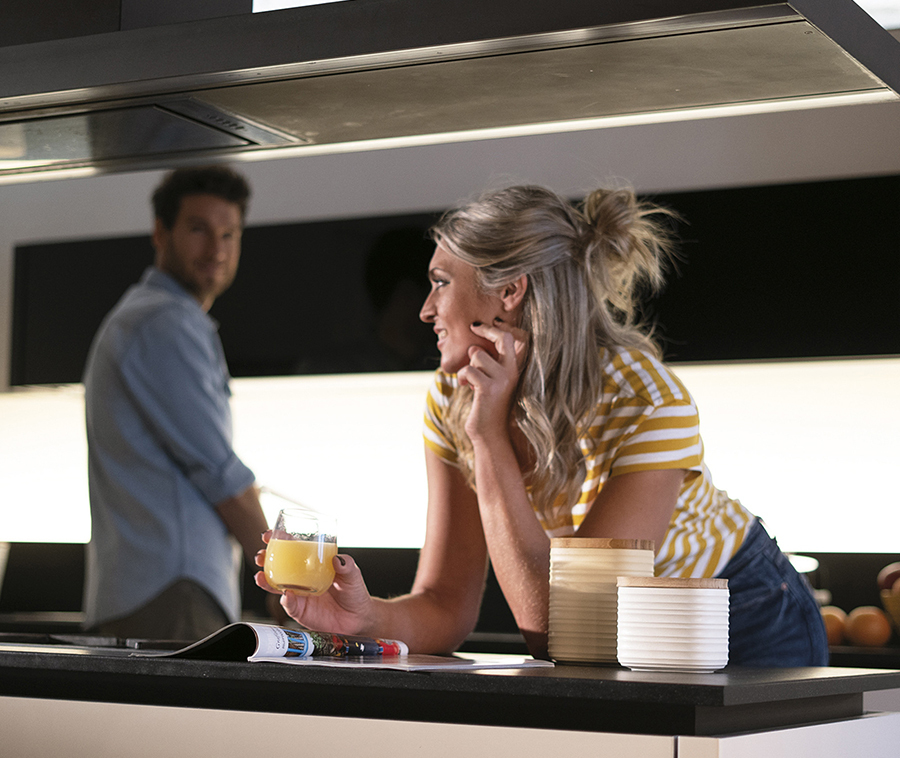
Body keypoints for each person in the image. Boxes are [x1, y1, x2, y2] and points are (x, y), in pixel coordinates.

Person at [256, 184, 828, 666]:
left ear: (509, 291)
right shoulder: (453, 395)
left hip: (749, 621)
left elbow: (560, 631)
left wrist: (488, 436)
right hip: (618, 640)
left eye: (441, 282)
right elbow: (446, 606)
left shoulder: (645, 402)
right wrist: (363, 617)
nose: (426, 310)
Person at [83, 165, 269, 641]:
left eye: (229, 234)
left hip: (143, 589)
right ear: (160, 233)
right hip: (173, 593)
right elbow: (219, 473)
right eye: (198, 229)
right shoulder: (164, 322)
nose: (217, 249)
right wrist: (279, 574)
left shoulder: (144, 317)